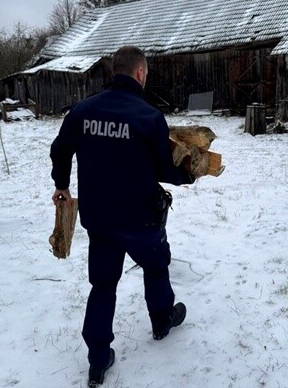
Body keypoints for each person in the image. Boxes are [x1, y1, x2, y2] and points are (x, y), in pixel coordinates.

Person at [50, 45, 194, 387]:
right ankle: (162, 320)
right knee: (157, 267)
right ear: (140, 73)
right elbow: (164, 167)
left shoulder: (83, 112)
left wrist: (61, 185)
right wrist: (189, 173)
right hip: (141, 218)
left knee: (102, 285)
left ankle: (98, 359)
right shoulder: (148, 117)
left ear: (115, 71)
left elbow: (60, 149)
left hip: (100, 220)